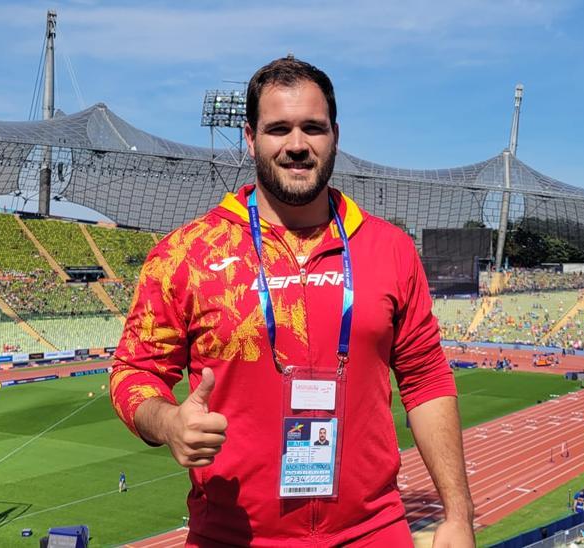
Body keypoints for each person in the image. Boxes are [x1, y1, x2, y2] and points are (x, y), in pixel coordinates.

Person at [110, 56, 472, 547]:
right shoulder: (186, 254)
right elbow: (134, 370)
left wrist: (457, 514)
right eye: (278, 128)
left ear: (335, 136)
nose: (297, 145)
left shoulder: (389, 249)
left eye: (313, 128)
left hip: (372, 533)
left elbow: (426, 378)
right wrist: (168, 421)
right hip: (232, 535)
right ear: (250, 137)